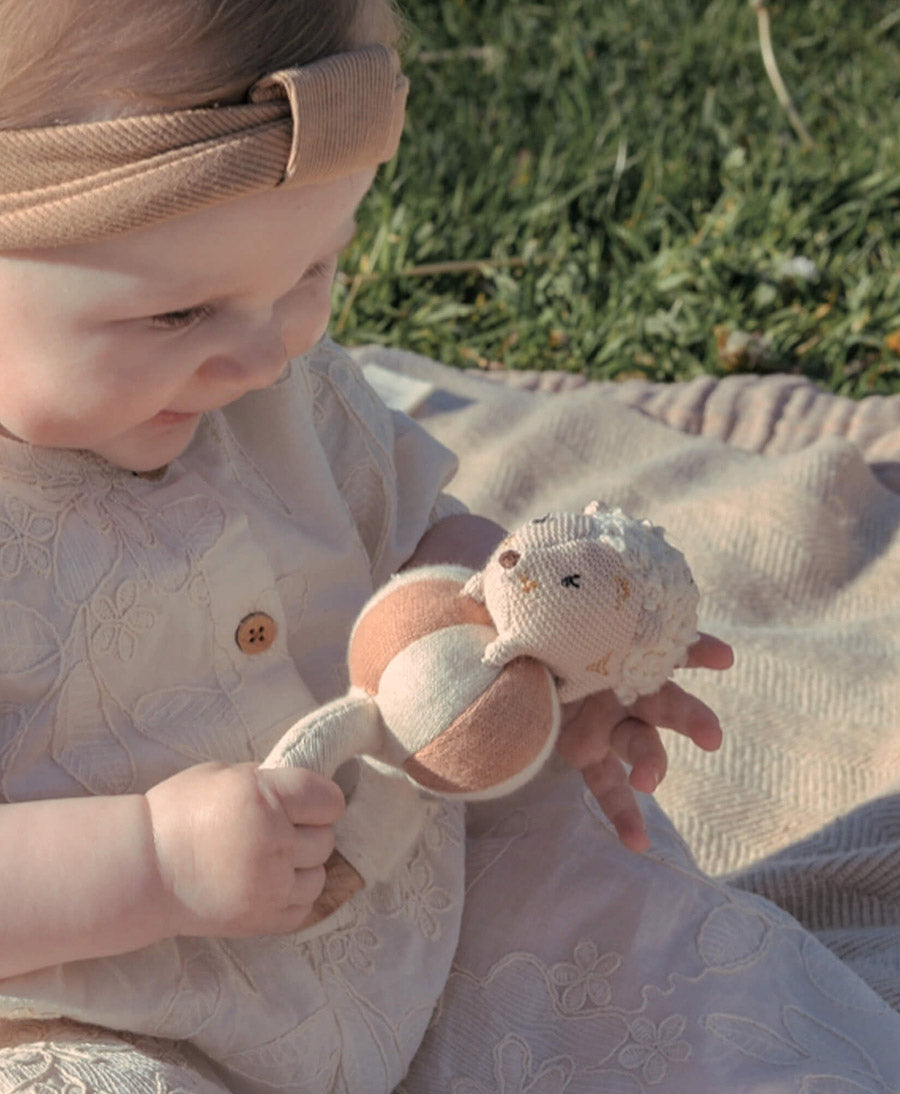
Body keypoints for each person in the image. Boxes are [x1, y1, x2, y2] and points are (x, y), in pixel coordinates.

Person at [0, 2, 896, 1092]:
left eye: (310, 273)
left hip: (407, 893)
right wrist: (154, 862)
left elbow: (409, 543)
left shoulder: (279, 374)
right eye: (179, 316)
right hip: (99, 995)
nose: (262, 349)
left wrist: (523, 634)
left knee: (605, 892)